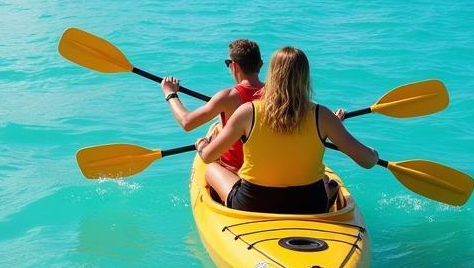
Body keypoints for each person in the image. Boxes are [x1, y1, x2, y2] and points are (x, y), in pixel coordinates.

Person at [194, 46, 379, 214]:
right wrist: (372, 152)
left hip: (253, 203)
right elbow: (368, 161)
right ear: (305, 76)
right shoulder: (323, 116)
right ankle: (329, 191)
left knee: (210, 168)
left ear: (272, 74)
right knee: (324, 180)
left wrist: (202, 145)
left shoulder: (248, 111)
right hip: (310, 205)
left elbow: (208, 156)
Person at [160, 39, 265, 172]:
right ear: (260, 65)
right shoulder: (276, 93)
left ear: (234, 66)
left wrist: (170, 94)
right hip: (261, 170)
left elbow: (187, 122)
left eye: (228, 63)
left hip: (233, 170)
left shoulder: (227, 97)